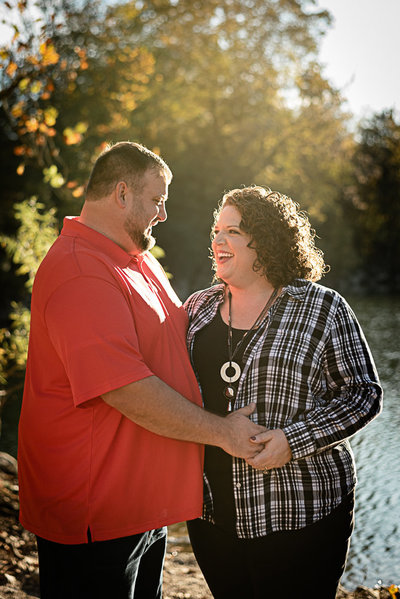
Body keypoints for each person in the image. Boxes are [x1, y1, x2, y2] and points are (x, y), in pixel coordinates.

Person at [18, 143, 266, 599]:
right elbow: (125, 388)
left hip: (138, 502)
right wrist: (222, 433)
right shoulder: (80, 270)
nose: (164, 214)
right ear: (121, 193)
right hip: (94, 511)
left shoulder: (134, 257)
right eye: (157, 200)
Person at [185, 185, 383, 599]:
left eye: (233, 232)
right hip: (212, 513)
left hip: (301, 511)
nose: (218, 241)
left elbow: (363, 394)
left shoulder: (322, 308)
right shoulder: (197, 309)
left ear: (267, 240)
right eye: (216, 230)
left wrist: (293, 441)